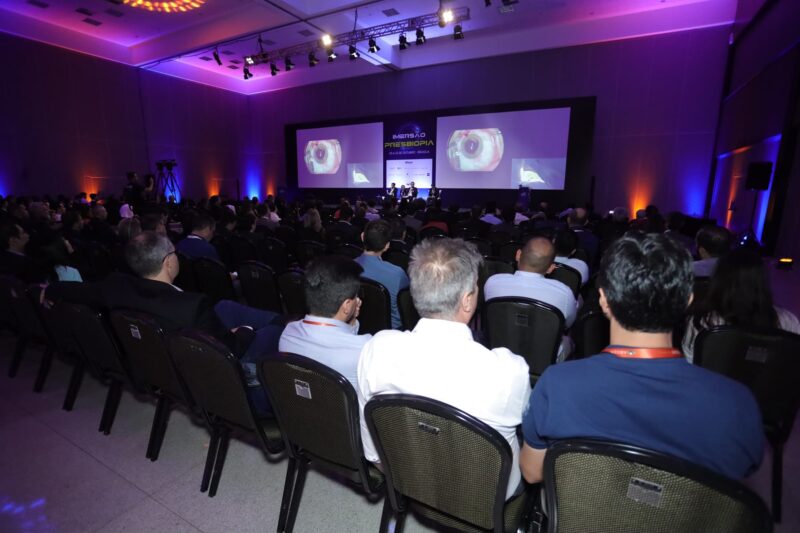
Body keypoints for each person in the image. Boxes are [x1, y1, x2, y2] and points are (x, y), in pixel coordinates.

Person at [519, 232, 764, 484]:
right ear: (687, 301)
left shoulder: (558, 384)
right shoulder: (737, 405)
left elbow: (532, 472)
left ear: (603, 300)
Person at [357, 238, 530, 499]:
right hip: (485, 496)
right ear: (467, 300)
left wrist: (399, 476)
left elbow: (372, 450)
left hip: (408, 476)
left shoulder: (377, 348)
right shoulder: (509, 370)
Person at [47, 232, 284, 413]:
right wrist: (245, 330)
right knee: (272, 331)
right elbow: (231, 347)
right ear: (169, 262)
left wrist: (50, 289)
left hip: (159, 353)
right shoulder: (191, 307)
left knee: (224, 307)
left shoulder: (117, 287)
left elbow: (84, 291)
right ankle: (280, 339)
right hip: (197, 366)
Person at [682, 247, 800, 362]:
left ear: (718, 279)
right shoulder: (788, 321)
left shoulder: (702, 321)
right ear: (761, 281)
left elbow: (691, 362)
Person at [279, 256, 371, 388]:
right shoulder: (365, 349)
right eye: (356, 296)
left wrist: (351, 319)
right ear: (346, 305)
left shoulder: (288, 334)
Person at [484, 236, 577, 358]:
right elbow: (567, 324)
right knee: (569, 341)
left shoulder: (493, 282)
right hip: (543, 357)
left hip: (500, 352)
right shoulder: (564, 293)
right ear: (550, 268)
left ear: (518, 255)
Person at [355, 220, 410, 329]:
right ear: (387, 246)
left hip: (358, 326)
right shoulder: (397, 274)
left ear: (362, 236)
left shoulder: (346, 268)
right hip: (391, 331)